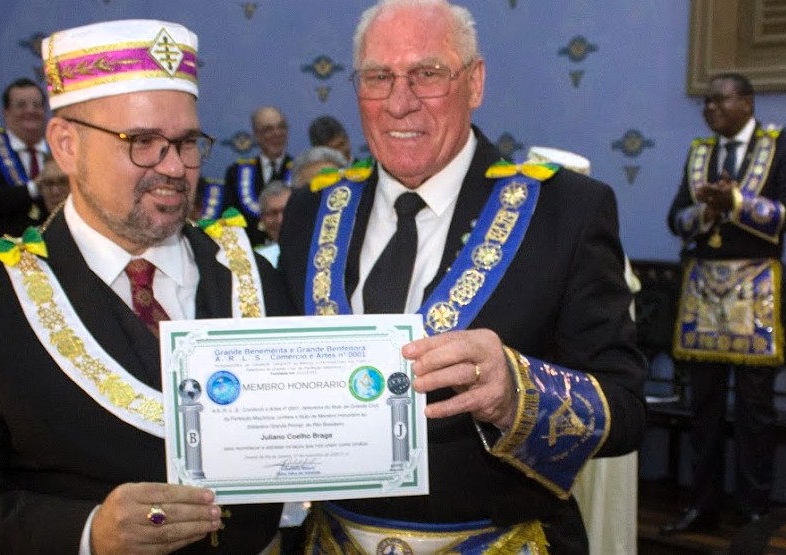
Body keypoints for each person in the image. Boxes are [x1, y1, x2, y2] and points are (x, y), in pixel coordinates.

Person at [278, 1, 646, 552]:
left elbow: (628, 409)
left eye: (427, 74)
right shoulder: (310, 211)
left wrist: (519, 395)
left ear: (474, 82)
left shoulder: (564, 211)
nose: (399, 102)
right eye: (378, 77)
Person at [0, 19, 293, 554]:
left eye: (187, 143)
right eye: (142, 142)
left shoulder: (252, 277)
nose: (174, 168)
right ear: (66, 145)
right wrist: (88, 533)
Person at [662, 72, 786, 533]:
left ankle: (754, 510)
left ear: (746, 101)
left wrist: (737, 202)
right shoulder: (700, 152)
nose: (710, 109)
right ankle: (701, 505)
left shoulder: (782, 145)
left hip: (755, 290)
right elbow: (675, 218)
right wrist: (708, 209)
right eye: (706, 102)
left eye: (719, 101)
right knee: (702, 407)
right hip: (703, 292)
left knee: (754, 410)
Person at [0, 78, 49, 238]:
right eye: (21, 105)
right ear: (6, 112)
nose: (30, 111)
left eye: (37, 105)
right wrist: (32, 189)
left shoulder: (59, 151)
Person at [223, 106, 292, 245]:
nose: (276, 134)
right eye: (268, 129)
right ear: (256, 135)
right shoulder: (236, 174)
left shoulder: (299, 171)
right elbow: (230, 221)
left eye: (281, 127)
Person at [254, 180, 291, 267]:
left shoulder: (313, 249)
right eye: (273, 213)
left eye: (286, 211)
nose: (280, 220)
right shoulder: (255, 259)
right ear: (262, 218)